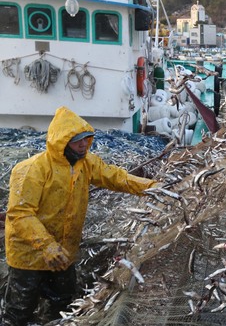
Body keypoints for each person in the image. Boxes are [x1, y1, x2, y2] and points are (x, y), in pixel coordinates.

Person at [2, 107, 158, 325]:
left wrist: (153, 187)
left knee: (63, 306)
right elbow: (20, 213)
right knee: (19, 311)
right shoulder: (31, 169)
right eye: (77, 141)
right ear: (62, 142)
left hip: (64, 253)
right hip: (28, 256)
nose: (83, 145)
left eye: (86, 139)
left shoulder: (86, 163)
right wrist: (46, 246)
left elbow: (115, 177)